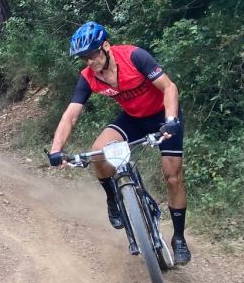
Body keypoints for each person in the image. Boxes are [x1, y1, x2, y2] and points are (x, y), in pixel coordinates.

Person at [47, 21, 191, 265]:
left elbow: (169, 88)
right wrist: (56, 148)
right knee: (98, 154)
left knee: (173, 176)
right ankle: (113, 199)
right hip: (133, 119)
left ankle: (178, 238)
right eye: (84, 58)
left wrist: (171, 120)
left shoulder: (135, 57)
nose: (89, 62)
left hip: (162, 116)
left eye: (92, 54)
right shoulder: (88, 77)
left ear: (105, 46)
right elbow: (71, 114)